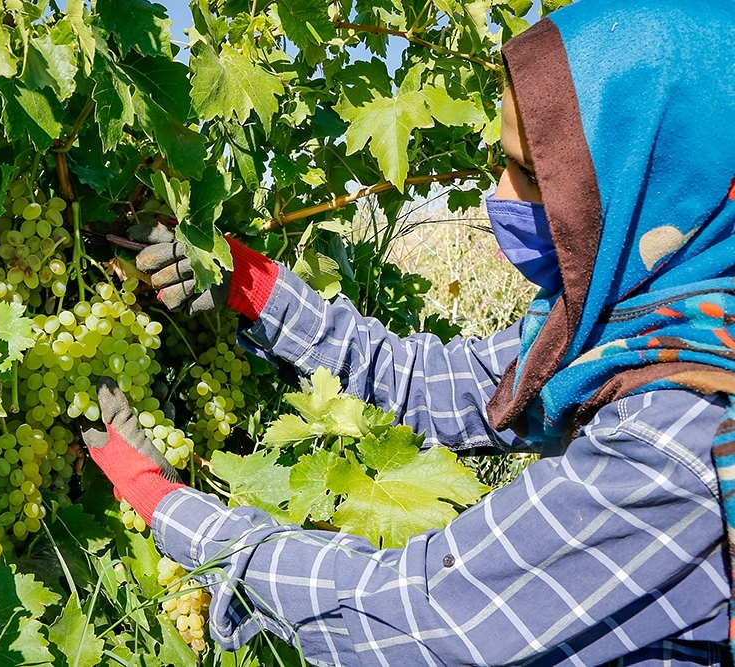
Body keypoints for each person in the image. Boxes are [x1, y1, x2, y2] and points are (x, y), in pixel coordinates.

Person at [82, 0, 735, 664]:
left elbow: (416, 614)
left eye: (535, 176)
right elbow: (433, 384)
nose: (499, 192)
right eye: (502, 158)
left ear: (643, 188)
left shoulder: (681, 438)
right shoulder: (645, 327)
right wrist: (244, 283)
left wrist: (166, 507)